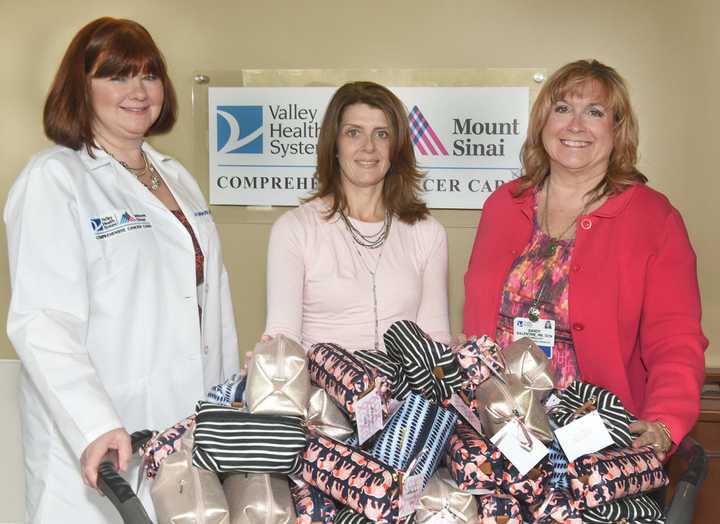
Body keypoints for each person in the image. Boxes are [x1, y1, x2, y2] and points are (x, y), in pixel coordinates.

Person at [5, 17, 239, 522]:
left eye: (149, 75)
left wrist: (225, 412)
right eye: (117, 76)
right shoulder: (55, 179)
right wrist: (94, 424)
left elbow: (211, 308)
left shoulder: (178, 179)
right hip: (103, 443)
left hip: (186, 428)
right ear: (79, 87)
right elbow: (42, 321)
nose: (138, 90)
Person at [463, 59, 706, 460]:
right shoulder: (502, 205)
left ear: (617, 129)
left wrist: (665, 421)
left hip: (598, 442)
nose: (576, 125)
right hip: (499, 434)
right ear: (543, 122)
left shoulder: (654, 219)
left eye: (594, 112)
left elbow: (675, 339)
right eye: (563, 109)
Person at [264, 81, 450, 352]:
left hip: (404, 393)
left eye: (382, 134)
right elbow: (283, 342)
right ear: (334, 144)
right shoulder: (294, 229)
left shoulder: (427, 232)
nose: (369, 147)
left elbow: (435, 341)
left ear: (396, 148)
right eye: (353, 133)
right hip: (321, 390)